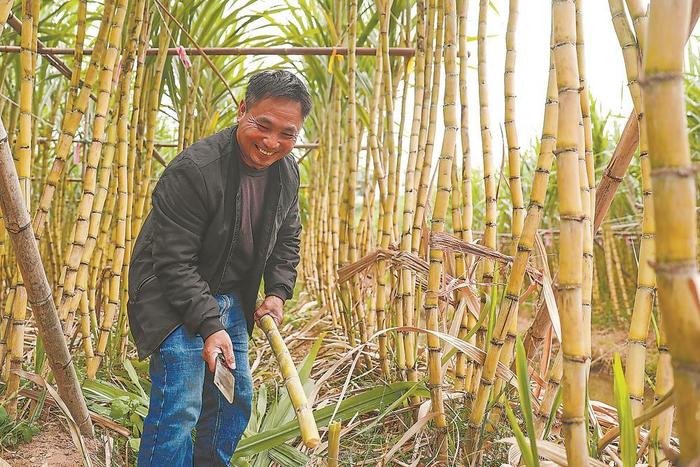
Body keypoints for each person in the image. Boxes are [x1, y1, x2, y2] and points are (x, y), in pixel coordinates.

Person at [127, 70, 311, 466]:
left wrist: (277, 292)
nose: (271, 142)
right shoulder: (195, 169)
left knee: (233, 399)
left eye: (287, 134)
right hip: (169, 294)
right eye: (263, 125)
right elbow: (173, 262)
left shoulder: (287, 173)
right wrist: (210, 326)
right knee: (182, 400)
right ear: (242, 109)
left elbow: (286, 239)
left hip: (229, 297)